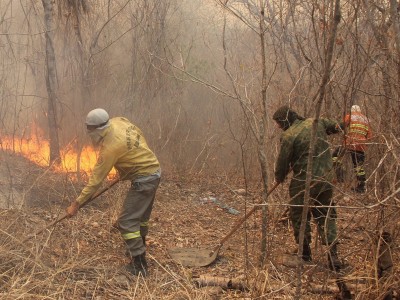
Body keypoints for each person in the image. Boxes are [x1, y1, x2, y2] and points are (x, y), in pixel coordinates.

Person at [66, 108, 161, 277]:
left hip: (144, 180)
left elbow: (95, 182)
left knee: (126, 221)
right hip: (154, 171)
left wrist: (76, 204)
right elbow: (137, 136)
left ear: (98, 129)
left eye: (90, 130)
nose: (89, 133)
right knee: (141, 218)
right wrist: (130, 164)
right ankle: (140, 246)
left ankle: (140, 265)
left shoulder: (110, 148)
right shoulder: (119, 121)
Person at [273, 105, 344, 271]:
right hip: (326, 180)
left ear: (284, 120)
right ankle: (333, 254)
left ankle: (304, 252)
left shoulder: (289, 136)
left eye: (278, 123)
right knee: (326, 215)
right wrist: (348, 122)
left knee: (298, 215)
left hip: (302, 183)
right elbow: (337, 126)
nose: (277, 127)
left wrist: (279, 177)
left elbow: (282, 163)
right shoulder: (316, 123)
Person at [332, 105, 372, 193]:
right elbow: (369, 136)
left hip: (349, 143)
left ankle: (341, 176)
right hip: (361, 145)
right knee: (359, 166)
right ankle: (361, 187)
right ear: (360, 111)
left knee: (335, 156)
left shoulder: (350, 116)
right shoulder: (365, 119)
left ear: (352, 110)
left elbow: (339, 127)